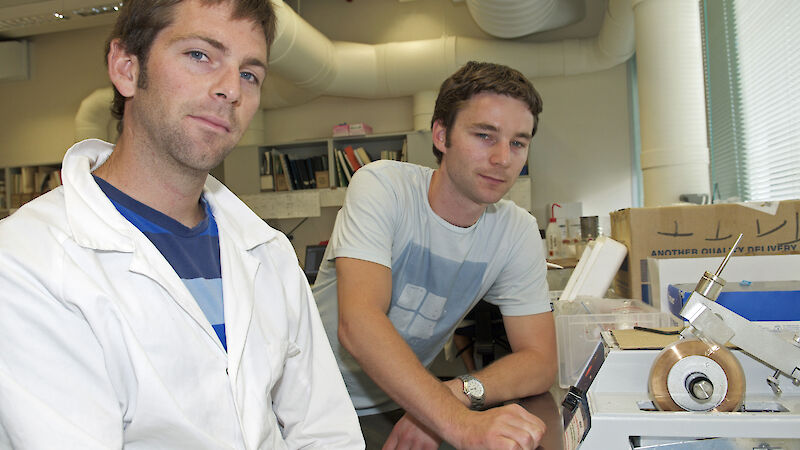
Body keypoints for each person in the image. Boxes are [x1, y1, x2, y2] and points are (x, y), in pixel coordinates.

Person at [0, 0, 364, 448]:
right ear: (126, 68)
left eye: (250, 74)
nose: (231, 89)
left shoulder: (266, 251)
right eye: (199, 55)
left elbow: (326, 428)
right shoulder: (25, 261)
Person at [312, 61, 557, 449]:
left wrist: (455, 395)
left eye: (517, 142)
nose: (502, 159)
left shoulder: (517, 231)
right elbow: (358, 324)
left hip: (402, 399)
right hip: (304, 399)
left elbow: (541, 361)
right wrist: (457, 422)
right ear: (441, 135)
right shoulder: (383, 186)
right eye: (484, 135)